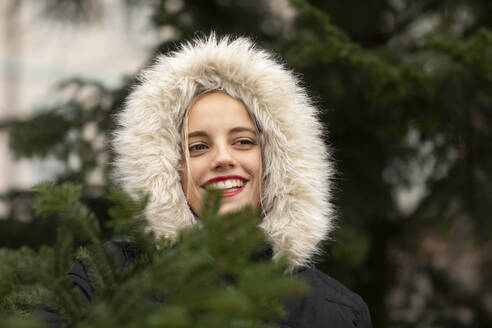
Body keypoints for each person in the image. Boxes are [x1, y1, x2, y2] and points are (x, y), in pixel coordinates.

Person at [39, 35, 372, 328]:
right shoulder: (105, 277)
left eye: (243, 141)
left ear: (276, 162)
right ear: (169, 171)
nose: (223, 159)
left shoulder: (338, 312)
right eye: (198, 147)